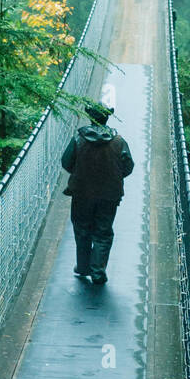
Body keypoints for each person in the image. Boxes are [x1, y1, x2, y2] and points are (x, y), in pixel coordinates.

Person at [61, 103, 134, 285]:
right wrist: (113, 176)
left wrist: (80, 173)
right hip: (109, 194)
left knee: (82, 229)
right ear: (107, 118)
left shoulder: (79, 139)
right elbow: (128, 166)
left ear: (90, 117)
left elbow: (66, 162)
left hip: (82, 192)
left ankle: (83, 266)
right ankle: (98, 271)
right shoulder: (119, 141)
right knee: (103, 232)